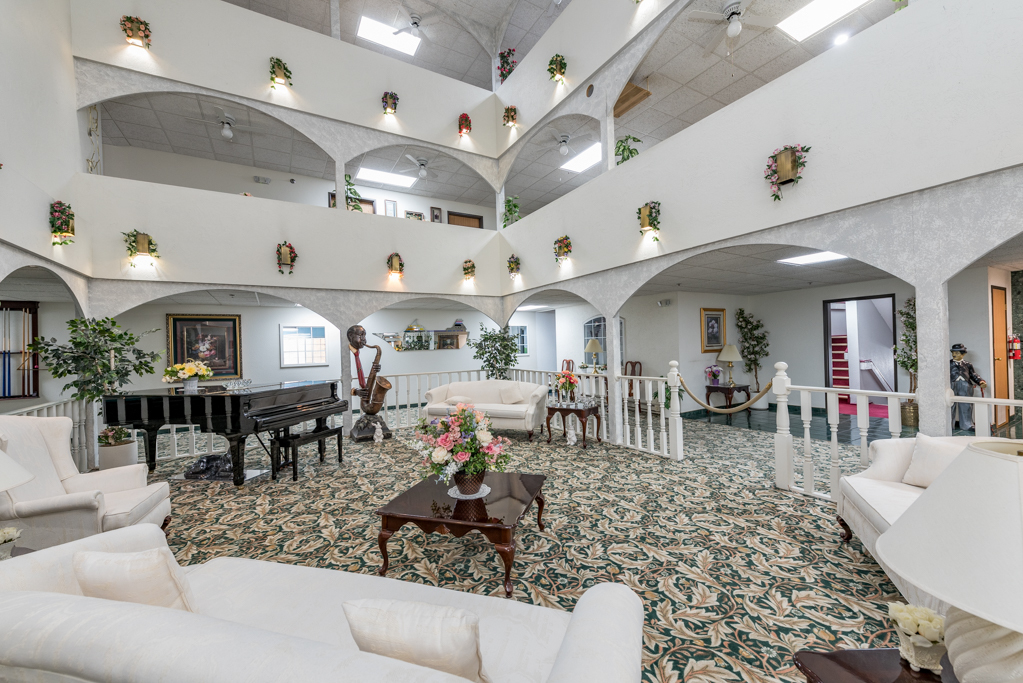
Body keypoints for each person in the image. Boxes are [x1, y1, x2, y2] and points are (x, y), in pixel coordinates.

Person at [950, 343, 987, 432]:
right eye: (953, 353)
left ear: (963, 354)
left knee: (966, 404)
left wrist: (980, 381)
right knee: (950, 404)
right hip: (951, 384)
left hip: (965, 384)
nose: (954, 355)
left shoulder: (968, 364)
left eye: (958, 353)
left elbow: (973, 374)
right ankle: (948, 424)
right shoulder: (948, 363)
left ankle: (967, 425)